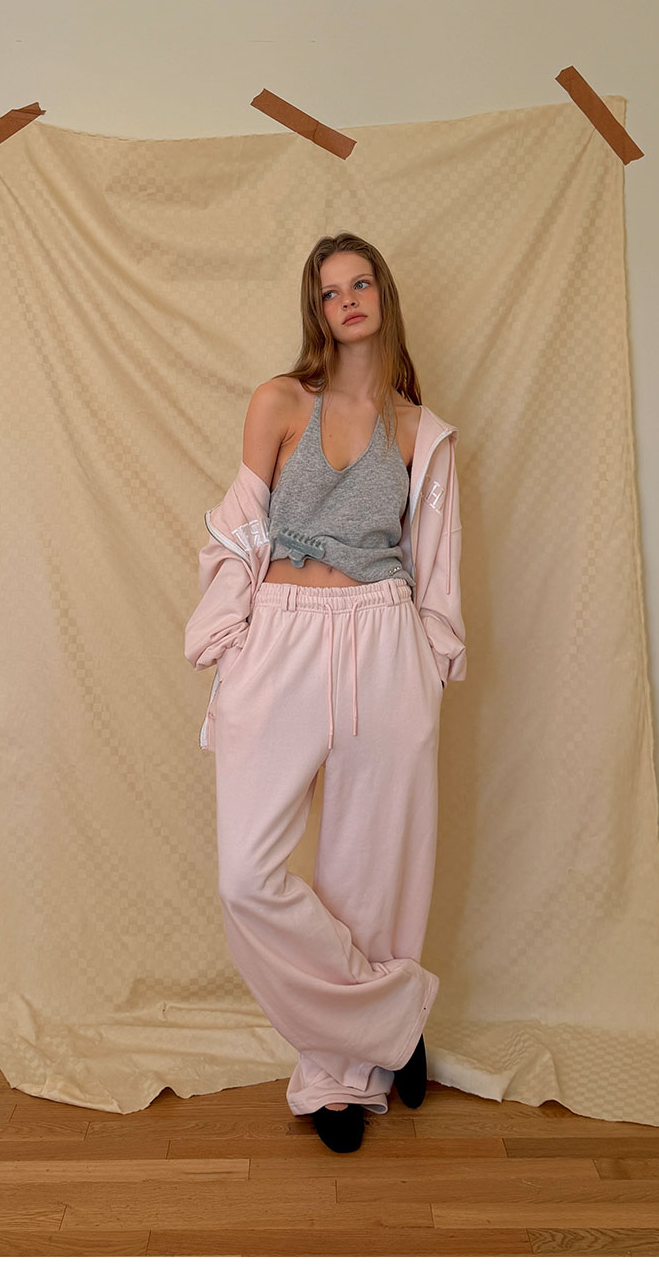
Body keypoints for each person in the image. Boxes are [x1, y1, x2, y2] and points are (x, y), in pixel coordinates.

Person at [183, 229, 465, 1152]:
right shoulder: (280, 401)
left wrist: (427, 667)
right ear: (316, 309)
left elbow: (437, 564)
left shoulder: (418, 431)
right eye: (331, 290)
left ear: (383, 295)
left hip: (383, 640)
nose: (348, 300)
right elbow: (239, 529)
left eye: (361, 283)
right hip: (283, 637)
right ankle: (393, 1018)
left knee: (368, 875)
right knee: (247, 876)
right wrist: (231, 641)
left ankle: (343, 1080)